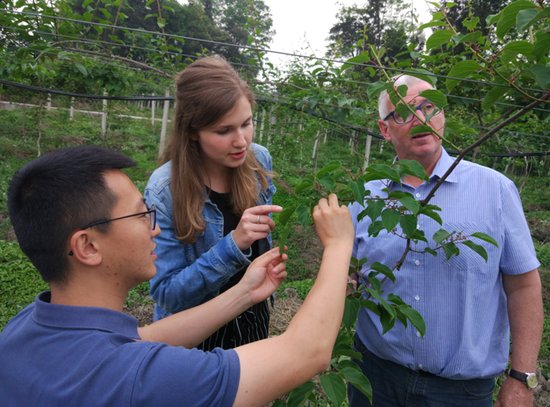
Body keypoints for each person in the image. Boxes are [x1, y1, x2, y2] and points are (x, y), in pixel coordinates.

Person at [0, 145, 355, 407]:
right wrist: (339, 246)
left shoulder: (23, 329)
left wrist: (244, 293)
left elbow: (144, 337)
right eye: (141, 215)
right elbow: (306, 353)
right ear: (88, 247)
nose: (155, 228)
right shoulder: (143, 380)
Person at [347, 75, 543, 407]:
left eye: (429, 106)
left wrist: (522, 378)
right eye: (405, 112)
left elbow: (523, 286)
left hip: (460, 393)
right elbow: (348, 277)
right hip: (375, 377)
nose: (421, 118)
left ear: (442, 115)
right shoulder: (364, 196)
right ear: (384, 129)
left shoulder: (494, 190)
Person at [145, 55, 278, 351]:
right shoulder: (164, 189)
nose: (241, 141)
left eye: (246, 124)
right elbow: (166, 294)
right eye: (223, 131)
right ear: (192, 131)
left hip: (251, 314)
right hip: (193, 333)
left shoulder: (258, 161)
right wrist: (234, 244)